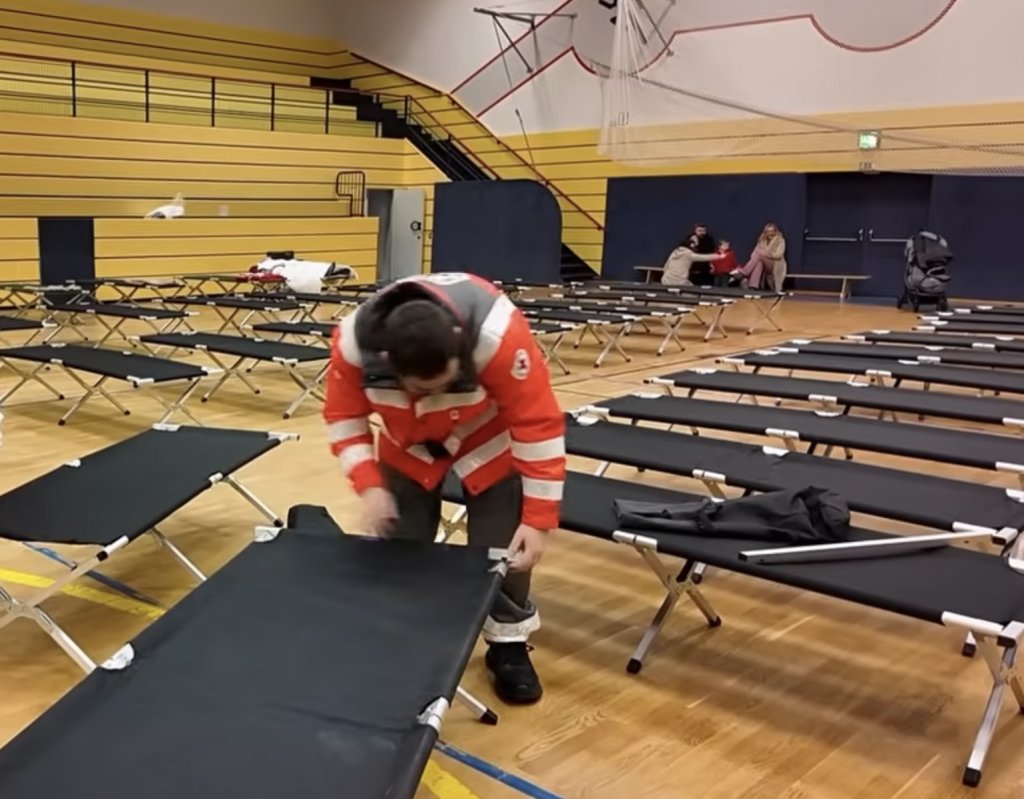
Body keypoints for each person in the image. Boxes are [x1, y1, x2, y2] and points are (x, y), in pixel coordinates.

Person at [323, 272, 566, 705]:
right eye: (424, 387)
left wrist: (538, 520)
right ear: (390, 363)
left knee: (505, 551)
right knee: (399, 544)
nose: (436, 393)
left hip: (488, 438)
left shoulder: (498, 334)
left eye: (446, 382)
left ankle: (508, 645)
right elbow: (344, 418)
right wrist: (370, 486)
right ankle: (400, 637)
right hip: (407, 444)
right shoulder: (354, 345)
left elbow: (538, 426)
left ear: (460, 347)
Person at [730, 223, 788, 290]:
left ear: (775, 231)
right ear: (765, 232)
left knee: (760, 254)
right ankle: (753, 286)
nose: (770, 233)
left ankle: (743, 273)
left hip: (775, 263)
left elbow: (779, 255)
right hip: (763, 262)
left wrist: (765, 254)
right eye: (768, 231)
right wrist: (755, 259)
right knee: (759, 262)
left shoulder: (780, 241)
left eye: (772, 231)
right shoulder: (762, 240)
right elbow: (754, 253)